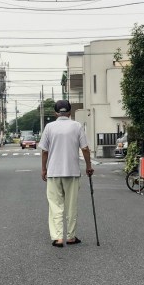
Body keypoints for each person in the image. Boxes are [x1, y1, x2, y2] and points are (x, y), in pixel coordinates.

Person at [39, 99, 94, 247]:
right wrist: (88, 166)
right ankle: (71, 236)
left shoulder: (49, 127)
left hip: (54, 172)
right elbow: (85, 149)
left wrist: (44, 169)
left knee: (55, 205)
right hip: (72, 172)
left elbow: (44, 151)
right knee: (71, 205)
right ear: (69, 112)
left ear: (56, 113)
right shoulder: (76, 126)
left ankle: (58, 238)